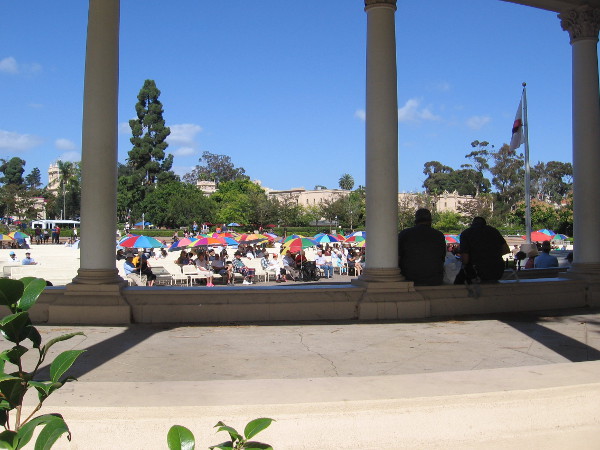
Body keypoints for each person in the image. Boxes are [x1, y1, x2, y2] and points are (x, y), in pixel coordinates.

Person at [398, 208, 446, 285]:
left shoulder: (405, 234)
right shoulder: (439, 235)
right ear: (430, 220)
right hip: (434, 278)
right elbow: (442, 258)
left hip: (409, 277)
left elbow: (397, 257)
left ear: (415, 220)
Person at [458, 216, 510, 283]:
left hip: (476, 272)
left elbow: (465, 259)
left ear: (472, 224)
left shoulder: (466, 233)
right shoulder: (494, 231)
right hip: (497, 270)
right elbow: (506, 249)